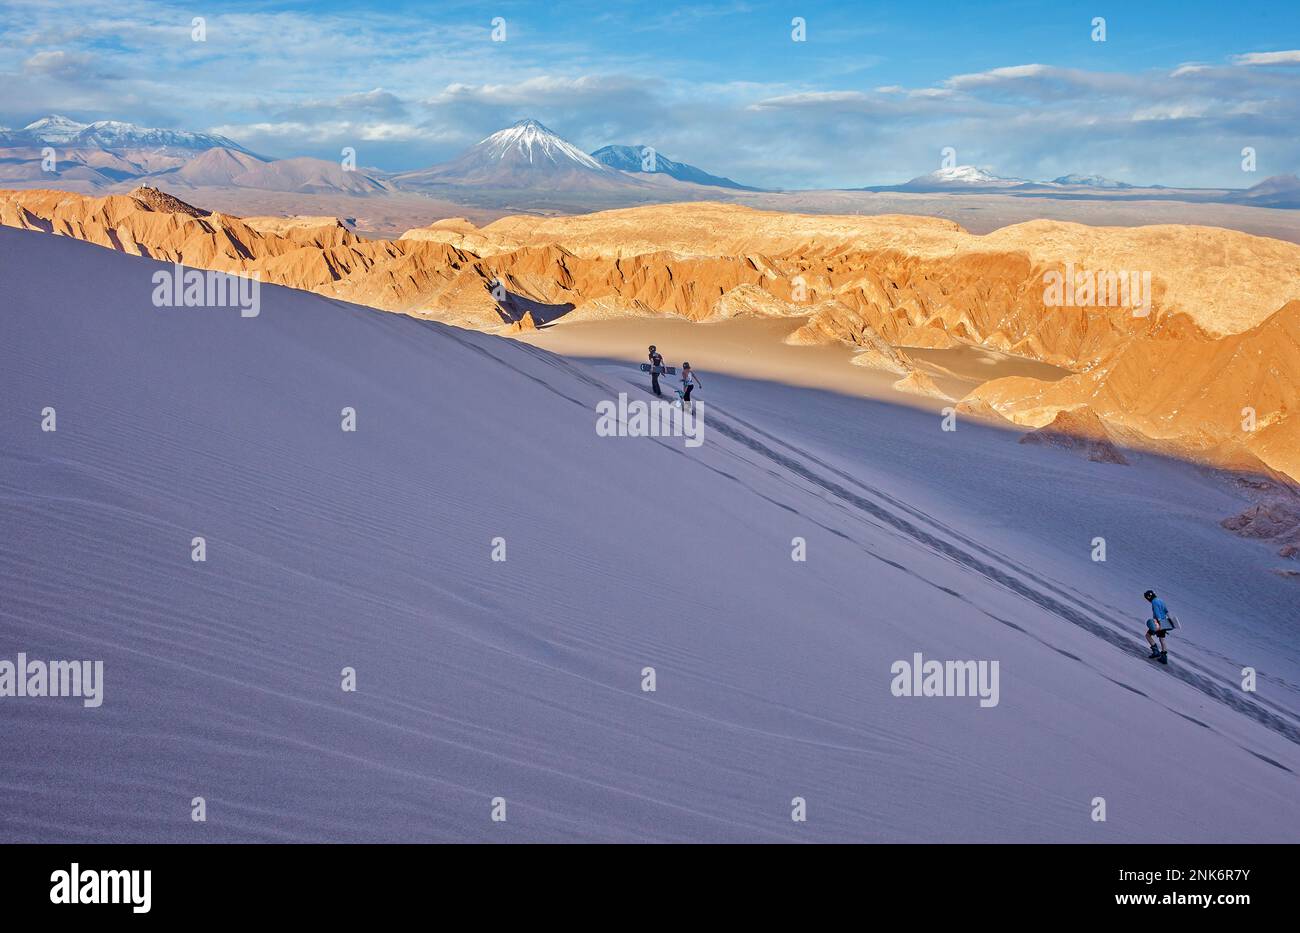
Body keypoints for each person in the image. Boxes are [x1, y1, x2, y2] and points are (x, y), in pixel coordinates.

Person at [1143, 589, 1171, 661]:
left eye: (1147, 598)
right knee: (1162, 639)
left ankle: (1156, 652)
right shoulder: (1160, 600)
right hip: (1164, 621)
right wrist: (1170, 621)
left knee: (1148, 635)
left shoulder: (1154, 602)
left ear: (1149, 597)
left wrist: (1158, 622)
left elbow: (1156, 612)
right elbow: (1166, 611)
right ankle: (1164, 657)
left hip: (1157, 622)